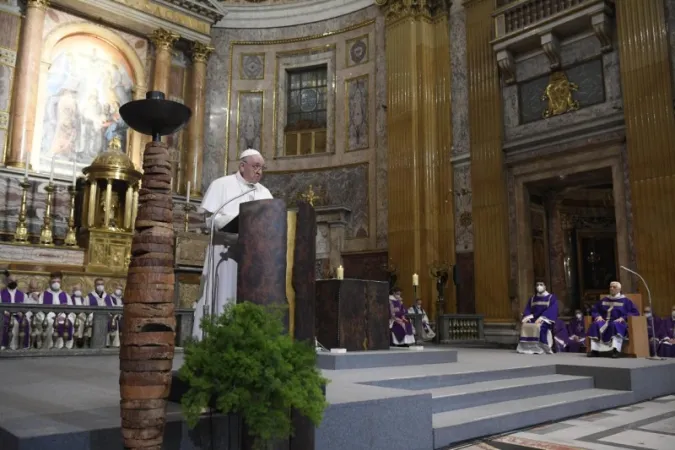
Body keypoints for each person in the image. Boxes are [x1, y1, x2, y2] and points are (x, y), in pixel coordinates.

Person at [192, 149, 273, 339]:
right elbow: (210, 220)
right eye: (255, 166)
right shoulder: (222, 185)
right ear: (242, 166)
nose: (259, 171)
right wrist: (235, 220)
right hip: (224, 253)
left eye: (262, 168)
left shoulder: (265, 193)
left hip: (253, 257)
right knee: (224, 297)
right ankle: (216, 339)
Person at [587, 281, 639, 358]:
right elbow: (595, 309)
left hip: (618, 321)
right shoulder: (604, 299)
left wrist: (623, 318)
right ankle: (595, 350)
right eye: (610, 287)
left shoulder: (626, 301)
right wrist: (598, 316)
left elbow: (635, 312)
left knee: (615, 325)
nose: (611, 288)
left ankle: (616, 350)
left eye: (614, 287)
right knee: (595, 325)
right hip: (604, 321)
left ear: (619, 289)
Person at [516, 281, 558, 354]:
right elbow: (528, 309)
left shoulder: (551, 297)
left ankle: (543, 348)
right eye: (537, 285)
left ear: (545, 286)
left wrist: (541, 318)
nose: (539, 286)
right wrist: (527, 317)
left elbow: (552, 309)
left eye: (541, 284)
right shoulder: (532, 299)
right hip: (534, 318)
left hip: (545, 318)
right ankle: (528, 348)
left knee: (541, 327)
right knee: (526, 325)